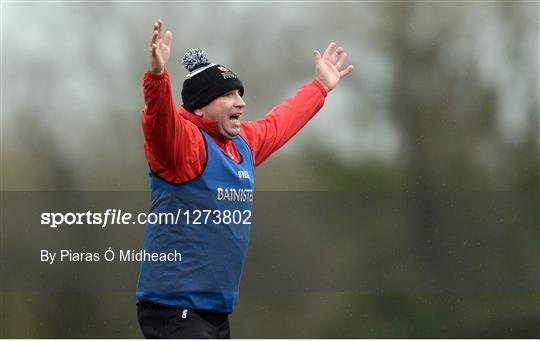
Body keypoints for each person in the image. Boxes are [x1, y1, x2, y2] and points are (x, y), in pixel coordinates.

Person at [136, 19, 353, 339]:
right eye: (227, 96)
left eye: (240, 93)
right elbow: (159, 120)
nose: (240, 102)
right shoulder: (185, 147)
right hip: (175, 307)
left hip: (215, 310)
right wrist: (157, 77)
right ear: (198, 109)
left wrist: (319, 88)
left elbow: (281, 122)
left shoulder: (241, 145)